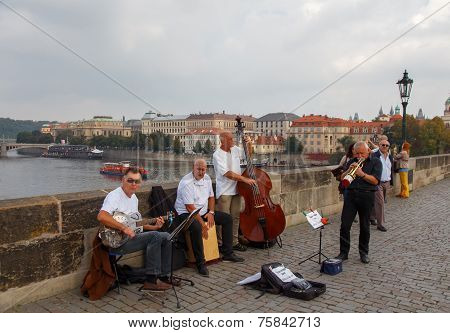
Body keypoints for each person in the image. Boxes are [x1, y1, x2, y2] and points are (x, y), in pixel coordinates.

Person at [97, 167, 172, 291]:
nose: (133, 184)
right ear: (123, 180)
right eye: (130, 180)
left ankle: (164, 276)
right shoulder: (114, 196)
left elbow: (135, 224)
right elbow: (102, 216)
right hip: (116, 241)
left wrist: (155, 226)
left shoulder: (134, 198)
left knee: (166, 236)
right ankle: (151, 280)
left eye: (136, 181)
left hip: (129, 238)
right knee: (155, 236)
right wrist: (123, 228)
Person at [174, 159, 244, 277]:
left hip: (202, 211)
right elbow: (190, 208)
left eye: (203, 169)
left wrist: (211, 212)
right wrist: (203, 225)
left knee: (227, 219)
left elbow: (211, 197)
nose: (201, 172)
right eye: (199, 169)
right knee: (196, 228)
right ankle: (200, 263)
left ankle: (228, 253)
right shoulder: (186, 182)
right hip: (185, 213)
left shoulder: (206, 178)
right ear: (193, 168)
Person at [336, 141, 382, 264]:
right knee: (345, 225)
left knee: (365, 226)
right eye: (357, 153)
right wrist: (348, 170)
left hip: (366, 196)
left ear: (368, 151)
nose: (360, 156)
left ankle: (364, 253)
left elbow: (375, 181)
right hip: (351, 196)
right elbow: (342, 178)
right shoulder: (352, 161)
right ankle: (343, 253)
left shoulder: (376, 162)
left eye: (362, 153)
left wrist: (362, 174)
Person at [212, 131, 257, 251]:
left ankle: (234, 242)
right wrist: (245, 179)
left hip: (237, 189)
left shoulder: (235, 149)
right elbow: (227, 174)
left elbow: (248, 156)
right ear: (223, 141)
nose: (233, 141)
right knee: (224, 219)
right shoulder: (217, 155)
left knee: (235, 217)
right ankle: (221, 243)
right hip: (225, 191)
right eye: (231, 139)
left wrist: (249, 144)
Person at [369, 139, 394, 232]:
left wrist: (391, 182)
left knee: (377, 202)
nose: (385, 147)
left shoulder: (390, 156)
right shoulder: (374, 155)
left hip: (386, 182)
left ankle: (371, 217)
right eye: (383, 145)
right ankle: (381, 224)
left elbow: (391, 169)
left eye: (387, 145)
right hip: (377, 182)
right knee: (380, 202)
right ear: (379, 145)